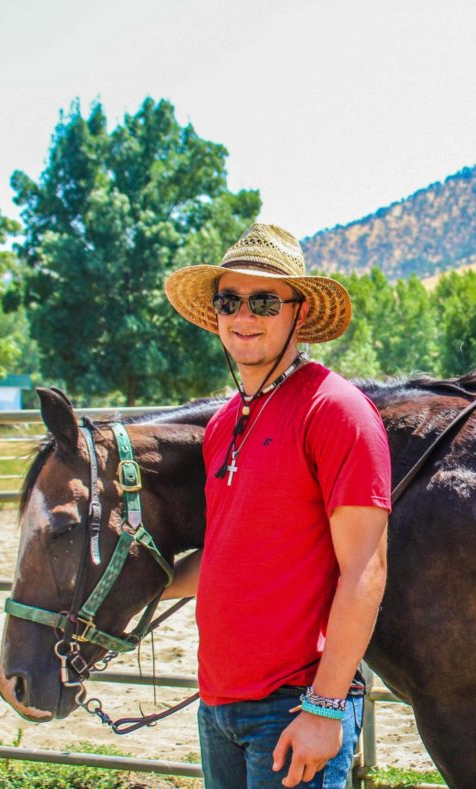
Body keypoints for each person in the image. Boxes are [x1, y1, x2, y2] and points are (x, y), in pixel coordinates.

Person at [162, 223, 392, 789]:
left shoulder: (335, 411)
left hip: (294, 707)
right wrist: (148, 580)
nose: (244, 315)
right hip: (218, 704)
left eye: (264, 300)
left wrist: (326, 707)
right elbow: (224, 556)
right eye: (230, 300)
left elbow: (366, 568)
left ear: (299, 310)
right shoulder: (222, 425)